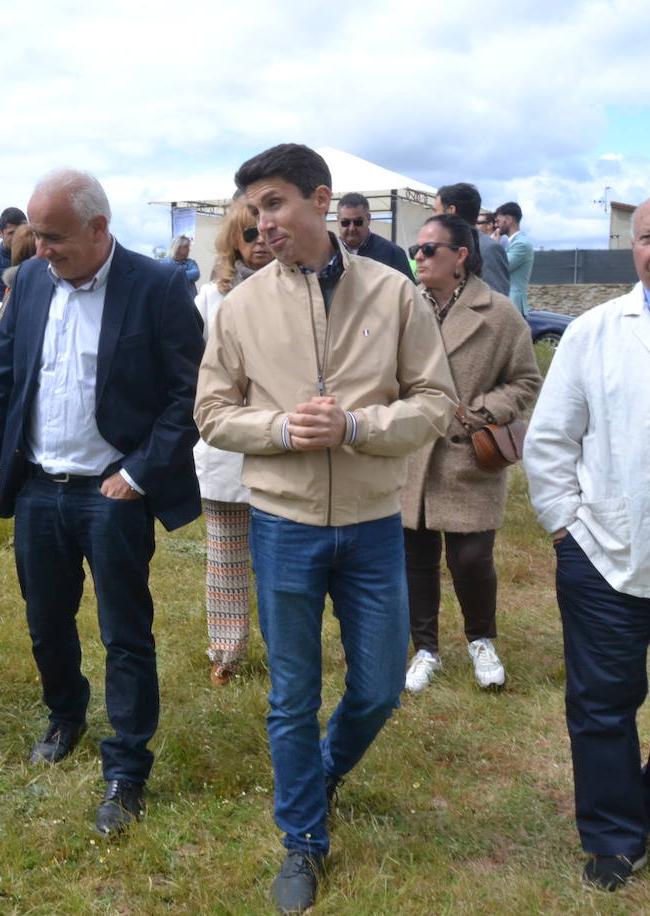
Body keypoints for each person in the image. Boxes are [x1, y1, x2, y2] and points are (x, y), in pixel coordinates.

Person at [194, 144, 454, 912]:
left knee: (378, 688)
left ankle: (322, 768)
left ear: (319, 198)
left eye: (274, 203)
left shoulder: (393, 292)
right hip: (284, 524)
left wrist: (356, 426)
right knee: (292, 695)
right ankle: (302, 841)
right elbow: (210, 413)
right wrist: (279, 429)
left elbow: (435, 401)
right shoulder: (241, 307)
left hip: (374, 523)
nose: (261, 222)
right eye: (251, 209)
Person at [0, 167, 204, 838]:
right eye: (36, 236)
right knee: (45, 621)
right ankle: (65, 712)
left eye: (54, 237)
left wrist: (140, 472)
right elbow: (2, 378)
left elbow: (189, 395)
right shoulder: (33, 282)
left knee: (124, 632)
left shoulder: (157, 287)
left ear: (100, 229)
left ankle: (126, 766)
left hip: (112, 492)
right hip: (38, 488)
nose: (40, 250)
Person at [524, 190, 650, 892]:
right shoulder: (597, 331)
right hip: (609, 547)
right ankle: (613, 836)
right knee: (603, 702)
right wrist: (566, 529)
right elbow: (548, 443)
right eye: (648, 236)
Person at [399, 215, 541, 694]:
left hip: (468, 453)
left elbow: (525, 380)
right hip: (412, 454)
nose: (418, 257)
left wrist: (483, 411)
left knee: (473, 559)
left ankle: (481, 639)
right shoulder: (403, 307)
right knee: (415, 558)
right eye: (415, 249)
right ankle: (425, 648)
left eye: (428, 249)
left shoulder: (498, 312)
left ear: (460, 255)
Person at [193, 202, 273, 685]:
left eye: (267, 230)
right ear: (233, 240)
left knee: (283, 560)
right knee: (226, 556)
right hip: (226, 449)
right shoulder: (209, 300)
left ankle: (288, 648)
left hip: (286, 448)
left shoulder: (305, 292)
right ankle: (226, 654)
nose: (260, 241)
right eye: (249, 232)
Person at [434, 183, 511, 296]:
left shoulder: (488, 248)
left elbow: (495, 301)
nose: (433, 217)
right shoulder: (441, 246)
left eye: (435, 211)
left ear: (451, 211)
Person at [335, 192, 414, 279]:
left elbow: (408, 290)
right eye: (345, 222)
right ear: (338, 220)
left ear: (368, 219)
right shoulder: (328, 254)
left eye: (358, 222)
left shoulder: (393, 253)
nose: (352, 228)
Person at [493, 201, 534, 314]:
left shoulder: (521, 244)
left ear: (509, 220)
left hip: (513, 304)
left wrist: (495, 247)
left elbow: (502, 266)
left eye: (498, 221)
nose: (496, 225)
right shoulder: (510, 243)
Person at [0, 206, 27, 302]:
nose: (17, 237)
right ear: (0, 233)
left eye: (21, 232)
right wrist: (7, 307)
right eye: (11, 233)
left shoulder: (37, 260)